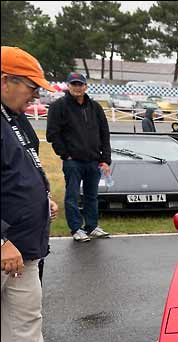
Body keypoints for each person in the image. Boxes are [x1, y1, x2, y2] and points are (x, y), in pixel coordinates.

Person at [1, 46, 83, 342]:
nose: (36, 94)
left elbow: (23, 169)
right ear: (5, 80)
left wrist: (42, 198)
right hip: (7, 243)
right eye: (31, 86)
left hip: (25, 242)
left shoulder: (14, 118)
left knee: (26, 315)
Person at [46, 72, 111, 242]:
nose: (77, 87)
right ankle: (76, 228)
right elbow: (52, 134)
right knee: (72, 196)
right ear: (68, 86)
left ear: (85, 86)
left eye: (80, 84)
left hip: (93, 161)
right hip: (72, 162)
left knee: (91, 196)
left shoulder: (95, 107)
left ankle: (92, 226)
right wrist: (65, 154)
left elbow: (104, 133)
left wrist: (105, 159)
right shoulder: (58, 106)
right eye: (73, 84)